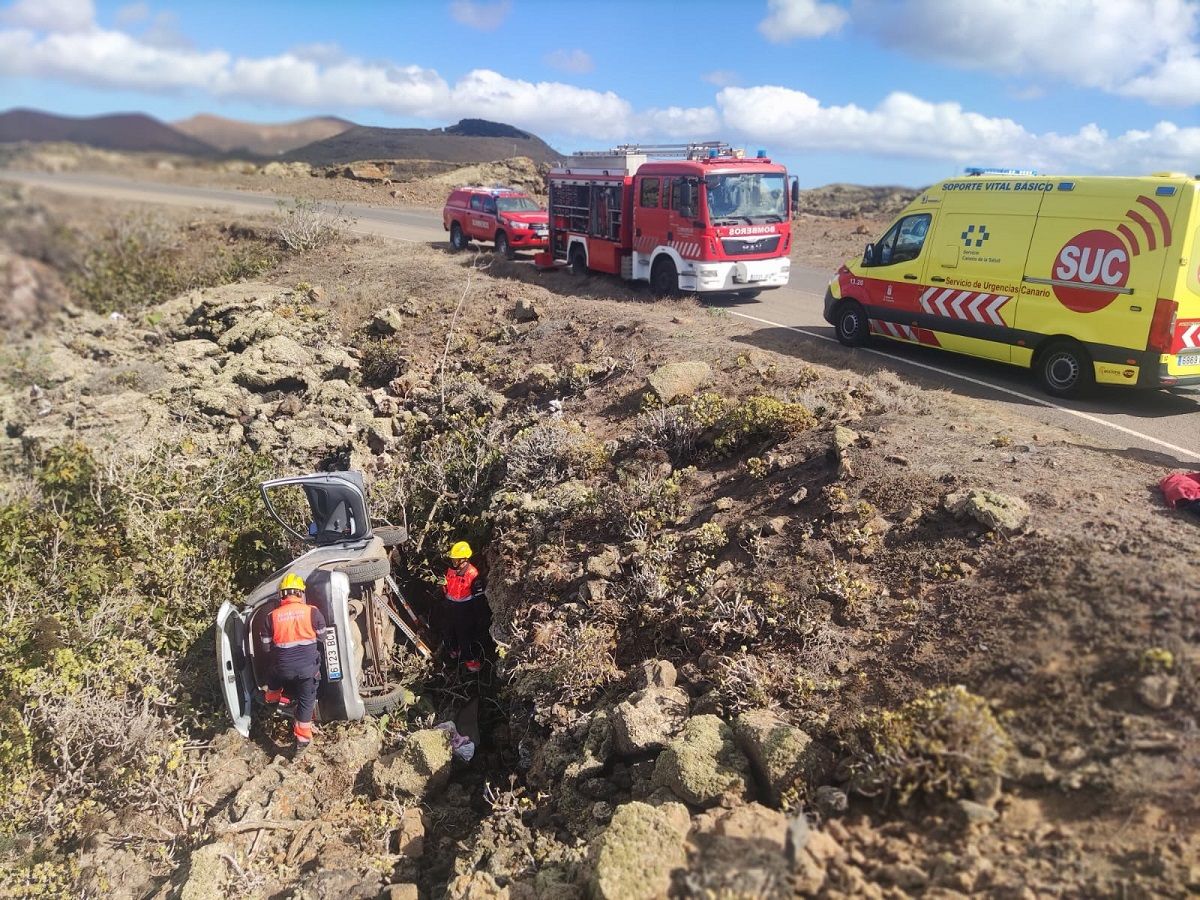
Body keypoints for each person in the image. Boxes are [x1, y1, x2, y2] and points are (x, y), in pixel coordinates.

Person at [258, 572, 326, 753]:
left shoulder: (271, 616)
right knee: (306, 700)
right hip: (307, 671)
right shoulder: (313, 611)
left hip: (283, 670)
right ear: (300, 593)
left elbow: (265, 646)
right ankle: (302, 740)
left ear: (281, 595)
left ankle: (272, 697)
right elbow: (322, 637)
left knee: (274, 671)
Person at [444, 540, 486, 673]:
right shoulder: (451, 570)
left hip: (465, 608)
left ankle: (469, 659)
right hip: (450, 606)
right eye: (453, 560)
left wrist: (479, 614)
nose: (453, 562)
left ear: (464, 559)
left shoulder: (472, 573)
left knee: (464, 635)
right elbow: (448, 585)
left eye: (456, 560)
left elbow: (478, 596)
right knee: (449, 630)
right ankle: (453, 651)